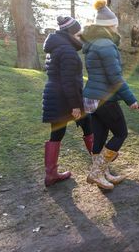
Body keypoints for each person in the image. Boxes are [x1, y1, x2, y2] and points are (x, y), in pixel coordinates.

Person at [82, 0, 139, 190]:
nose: (117, 29)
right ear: (110, 26)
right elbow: (115, 77)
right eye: (115, 26)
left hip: (91, 97)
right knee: (120, 133)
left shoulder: (94, 44)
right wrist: (130, 99)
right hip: (104, 98)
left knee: (100, 137)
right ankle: (97, 172)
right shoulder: (106, 45)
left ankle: (102, 173)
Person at [42, 16, 93, 187]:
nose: (81, 37)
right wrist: (75, 105)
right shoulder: (68, 51)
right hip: (65, 98)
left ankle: (51, 174)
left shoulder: (56, 48)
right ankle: (100, 165)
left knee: (58, 132)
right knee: (87, 125)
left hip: (54, 96)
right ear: (70, 33)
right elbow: (68, 81)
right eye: (78, 34)